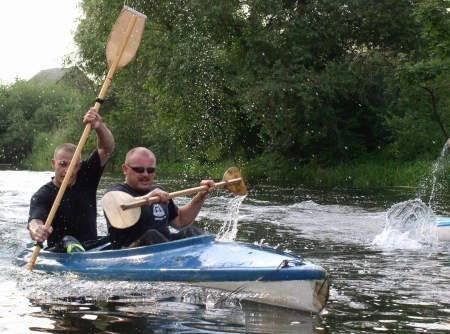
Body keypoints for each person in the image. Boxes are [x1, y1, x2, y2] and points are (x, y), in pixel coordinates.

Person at [27, 107, 115, 252]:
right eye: (62, 164)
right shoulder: (43, 194)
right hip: (61, 250)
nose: (67, 170)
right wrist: (37, 229)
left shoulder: (86, 174)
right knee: (68, 241)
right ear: (53, 164)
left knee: (117, 237)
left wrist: (99, 126)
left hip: (91, 248)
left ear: (79, 166)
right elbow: (35, 221)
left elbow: (106, 148)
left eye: (73, 165)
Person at [105, 147, 215, 249]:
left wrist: (200, 196)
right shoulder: (115, 194)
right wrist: (147, 198)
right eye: (139, 170)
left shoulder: (158, 191)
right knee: (151, 235)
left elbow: (181, 221)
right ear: (125, 169)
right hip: (129, 255)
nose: (145, 174)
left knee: (191, 232)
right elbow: (119, 205)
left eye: (150, 170)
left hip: (165, 250)